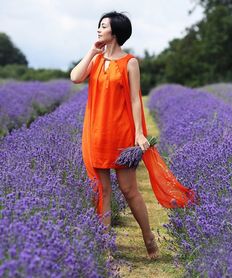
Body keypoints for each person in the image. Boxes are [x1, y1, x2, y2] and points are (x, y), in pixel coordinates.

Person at [70, 11, 160, 260]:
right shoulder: (96, 60)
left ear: (115, 32)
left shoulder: (129, 62)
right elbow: (75, 77)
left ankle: (148, 237)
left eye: (103, 26)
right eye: (99, 26)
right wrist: (92, 50)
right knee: (102, 191)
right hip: (96, 133)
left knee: (129, 190)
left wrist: (140, 133)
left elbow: (134, 99)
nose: (99, 30)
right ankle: (106, 245)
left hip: (121, 134)